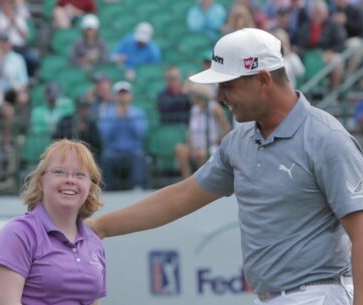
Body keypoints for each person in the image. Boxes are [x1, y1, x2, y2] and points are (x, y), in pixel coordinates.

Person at [85, 28, 363, 304]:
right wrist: (99, 227)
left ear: (263, 79)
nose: (219, 96)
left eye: (228, 85)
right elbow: (181, 197)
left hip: (319, 296)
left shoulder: (326, 138)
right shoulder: (238, 141)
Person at [0, 139, 106, 304]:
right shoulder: (19, 233)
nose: (70, 180)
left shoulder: (94, 243)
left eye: (80, 174)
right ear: (40, 182)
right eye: (59, 172)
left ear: (90, 187)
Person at [99, 81, 148, 191]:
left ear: (130, 96)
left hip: (133, 150)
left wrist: (128, 116)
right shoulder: (108, 113)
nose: (122, 97)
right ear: (115, 96)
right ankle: (107, 188)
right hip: (114, 151)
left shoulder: (138, 113)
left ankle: (137, 187)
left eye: (125, 94)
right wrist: (117, 118)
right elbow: (104, 135)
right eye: (119, 94)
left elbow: (140, 133)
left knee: (139, 155)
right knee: (106, 157)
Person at [175, 82, 231, 179]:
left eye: (193, 94)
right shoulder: (194, 109)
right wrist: (191, 146)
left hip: (211, 145)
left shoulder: (214, 108)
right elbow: (191, 132)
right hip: (195, 146)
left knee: (202, 153)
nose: (191, 96)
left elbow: (226, 127)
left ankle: (200, 181)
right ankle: (186, 180)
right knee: (180, 149)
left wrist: (216, 140)